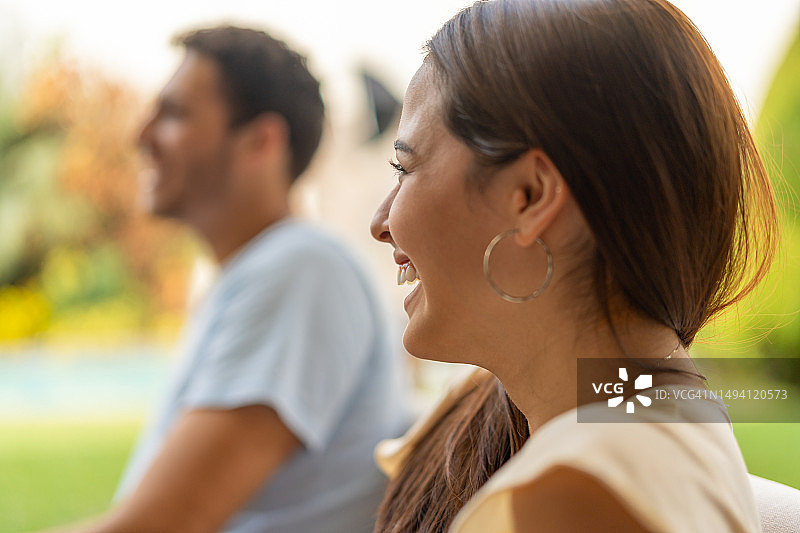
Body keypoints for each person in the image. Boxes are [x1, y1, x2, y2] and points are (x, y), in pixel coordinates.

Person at [369, 0, 778, 532]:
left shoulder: (580, 492)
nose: (380, 222)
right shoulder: (616, 415)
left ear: (531, 194)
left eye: (405, 167)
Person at [51, 26, 408, 533]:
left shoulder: (299, 268)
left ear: (260, 142)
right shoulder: (259, 272)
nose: (140, 135)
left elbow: (159, 526)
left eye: (174, 114)